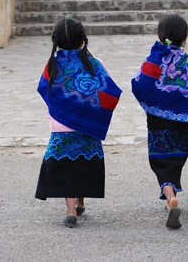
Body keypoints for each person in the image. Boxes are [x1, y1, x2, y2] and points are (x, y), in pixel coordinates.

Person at [35, 18, 122, 228]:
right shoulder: (95, 63)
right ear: (83, 40)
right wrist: (90, 112)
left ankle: (71, 209)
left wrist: (61, 111)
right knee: (84, 163)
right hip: (89, 126)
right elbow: (109, 91)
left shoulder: (53, 65)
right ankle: (81, 201)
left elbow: (43, 88)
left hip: (61, 127)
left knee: (66, 166)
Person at [131, 14, 188, 229]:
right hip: (181, 125)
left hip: (156, 124)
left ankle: (170, 197)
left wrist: (154, 103)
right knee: (175, 160)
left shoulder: (153, 60)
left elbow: (138, 83)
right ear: (186, 36)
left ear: (159, 35)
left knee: (160, 161)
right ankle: (172, 195)